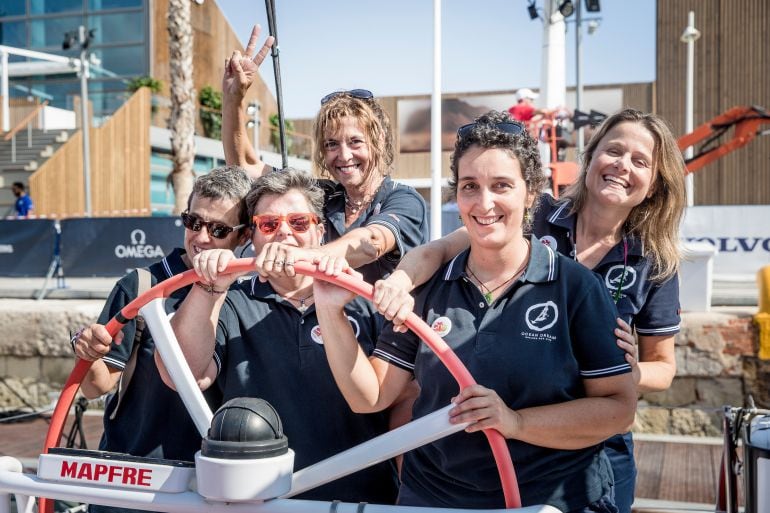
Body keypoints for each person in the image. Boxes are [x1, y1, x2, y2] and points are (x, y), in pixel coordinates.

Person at [314, 111, 637, 512]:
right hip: (434, 499)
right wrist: (330, 312)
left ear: (530, 193)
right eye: (470, 187)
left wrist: (515, 422)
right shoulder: (429, 284)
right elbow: (372, 396)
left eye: (501, 185)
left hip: (549, 500)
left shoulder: (574, 288)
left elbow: (619, 409)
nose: (484, 203)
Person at [374, 108, 687, 513]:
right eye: (613, 151)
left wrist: (621, 367)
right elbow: (438, 250)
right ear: (589, 158)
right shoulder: (531, 212)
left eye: (640, 161)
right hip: (497, 424)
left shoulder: (655, 262)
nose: (622, 166)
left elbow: (663, 366)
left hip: (589, 435)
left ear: (655, 183)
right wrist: (400, 281)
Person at [155, 168, 400, 504]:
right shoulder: (229, 301)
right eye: (269, 225)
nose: (283, 233)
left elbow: (401, 401)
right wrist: (210, 286)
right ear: (252, 237)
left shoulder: (365, 301)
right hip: (259, 503)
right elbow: (181, 375)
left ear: (320, 230)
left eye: (298, 222)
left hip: (362, 502)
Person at [72, 166, 253, 513]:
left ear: (243, 237)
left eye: (218, 229)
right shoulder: (141, 286)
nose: (201, 237)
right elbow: (97, 387)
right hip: (135, 483)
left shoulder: (250, 295)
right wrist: (87, 352)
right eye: (193, 222)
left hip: (215, 485)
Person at [222, 26, 428, 284]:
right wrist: (234, 97)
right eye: (331, 144)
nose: (343, 155)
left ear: (379, 141)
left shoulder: (404, 199)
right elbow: (244, 166)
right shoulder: (323, 194)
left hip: (385, 324)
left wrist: (296, 257)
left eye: (355, 142)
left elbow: (369, 244)